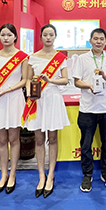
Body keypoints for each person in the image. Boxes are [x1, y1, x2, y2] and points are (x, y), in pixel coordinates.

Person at [25, 24, 70, 198]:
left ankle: (50, 175)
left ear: (55, 36)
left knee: (52, 138)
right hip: (37, 100)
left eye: (51, 34)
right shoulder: (33, 57)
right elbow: (28, 79)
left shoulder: (60, 58)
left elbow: (65, 80)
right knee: (38, 139)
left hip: (53, 99)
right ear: (41, 37)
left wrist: (50, 80)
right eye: (45, 35)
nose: (48, 37)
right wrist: (29, 93)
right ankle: (41, 175)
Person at [0, 24, 28, 195]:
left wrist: (8, 89)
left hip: (14, 97)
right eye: (3, 35)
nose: (6, 38)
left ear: (15, 37)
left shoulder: (22, 57)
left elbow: (24, 80)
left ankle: (13, 173)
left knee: (14, 138)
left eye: (9, 35)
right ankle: (3, 174)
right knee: (1, 139)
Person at [73, 28, 106, 193]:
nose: (99, 41)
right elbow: (77, 82)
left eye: (101, 39)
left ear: (105, 41)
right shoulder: (82, 59)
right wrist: (89, 86)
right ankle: (87, 174)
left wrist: (104, 75)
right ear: (90, 41)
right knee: (86, 145)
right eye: (96, 38)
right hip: (87, 109)